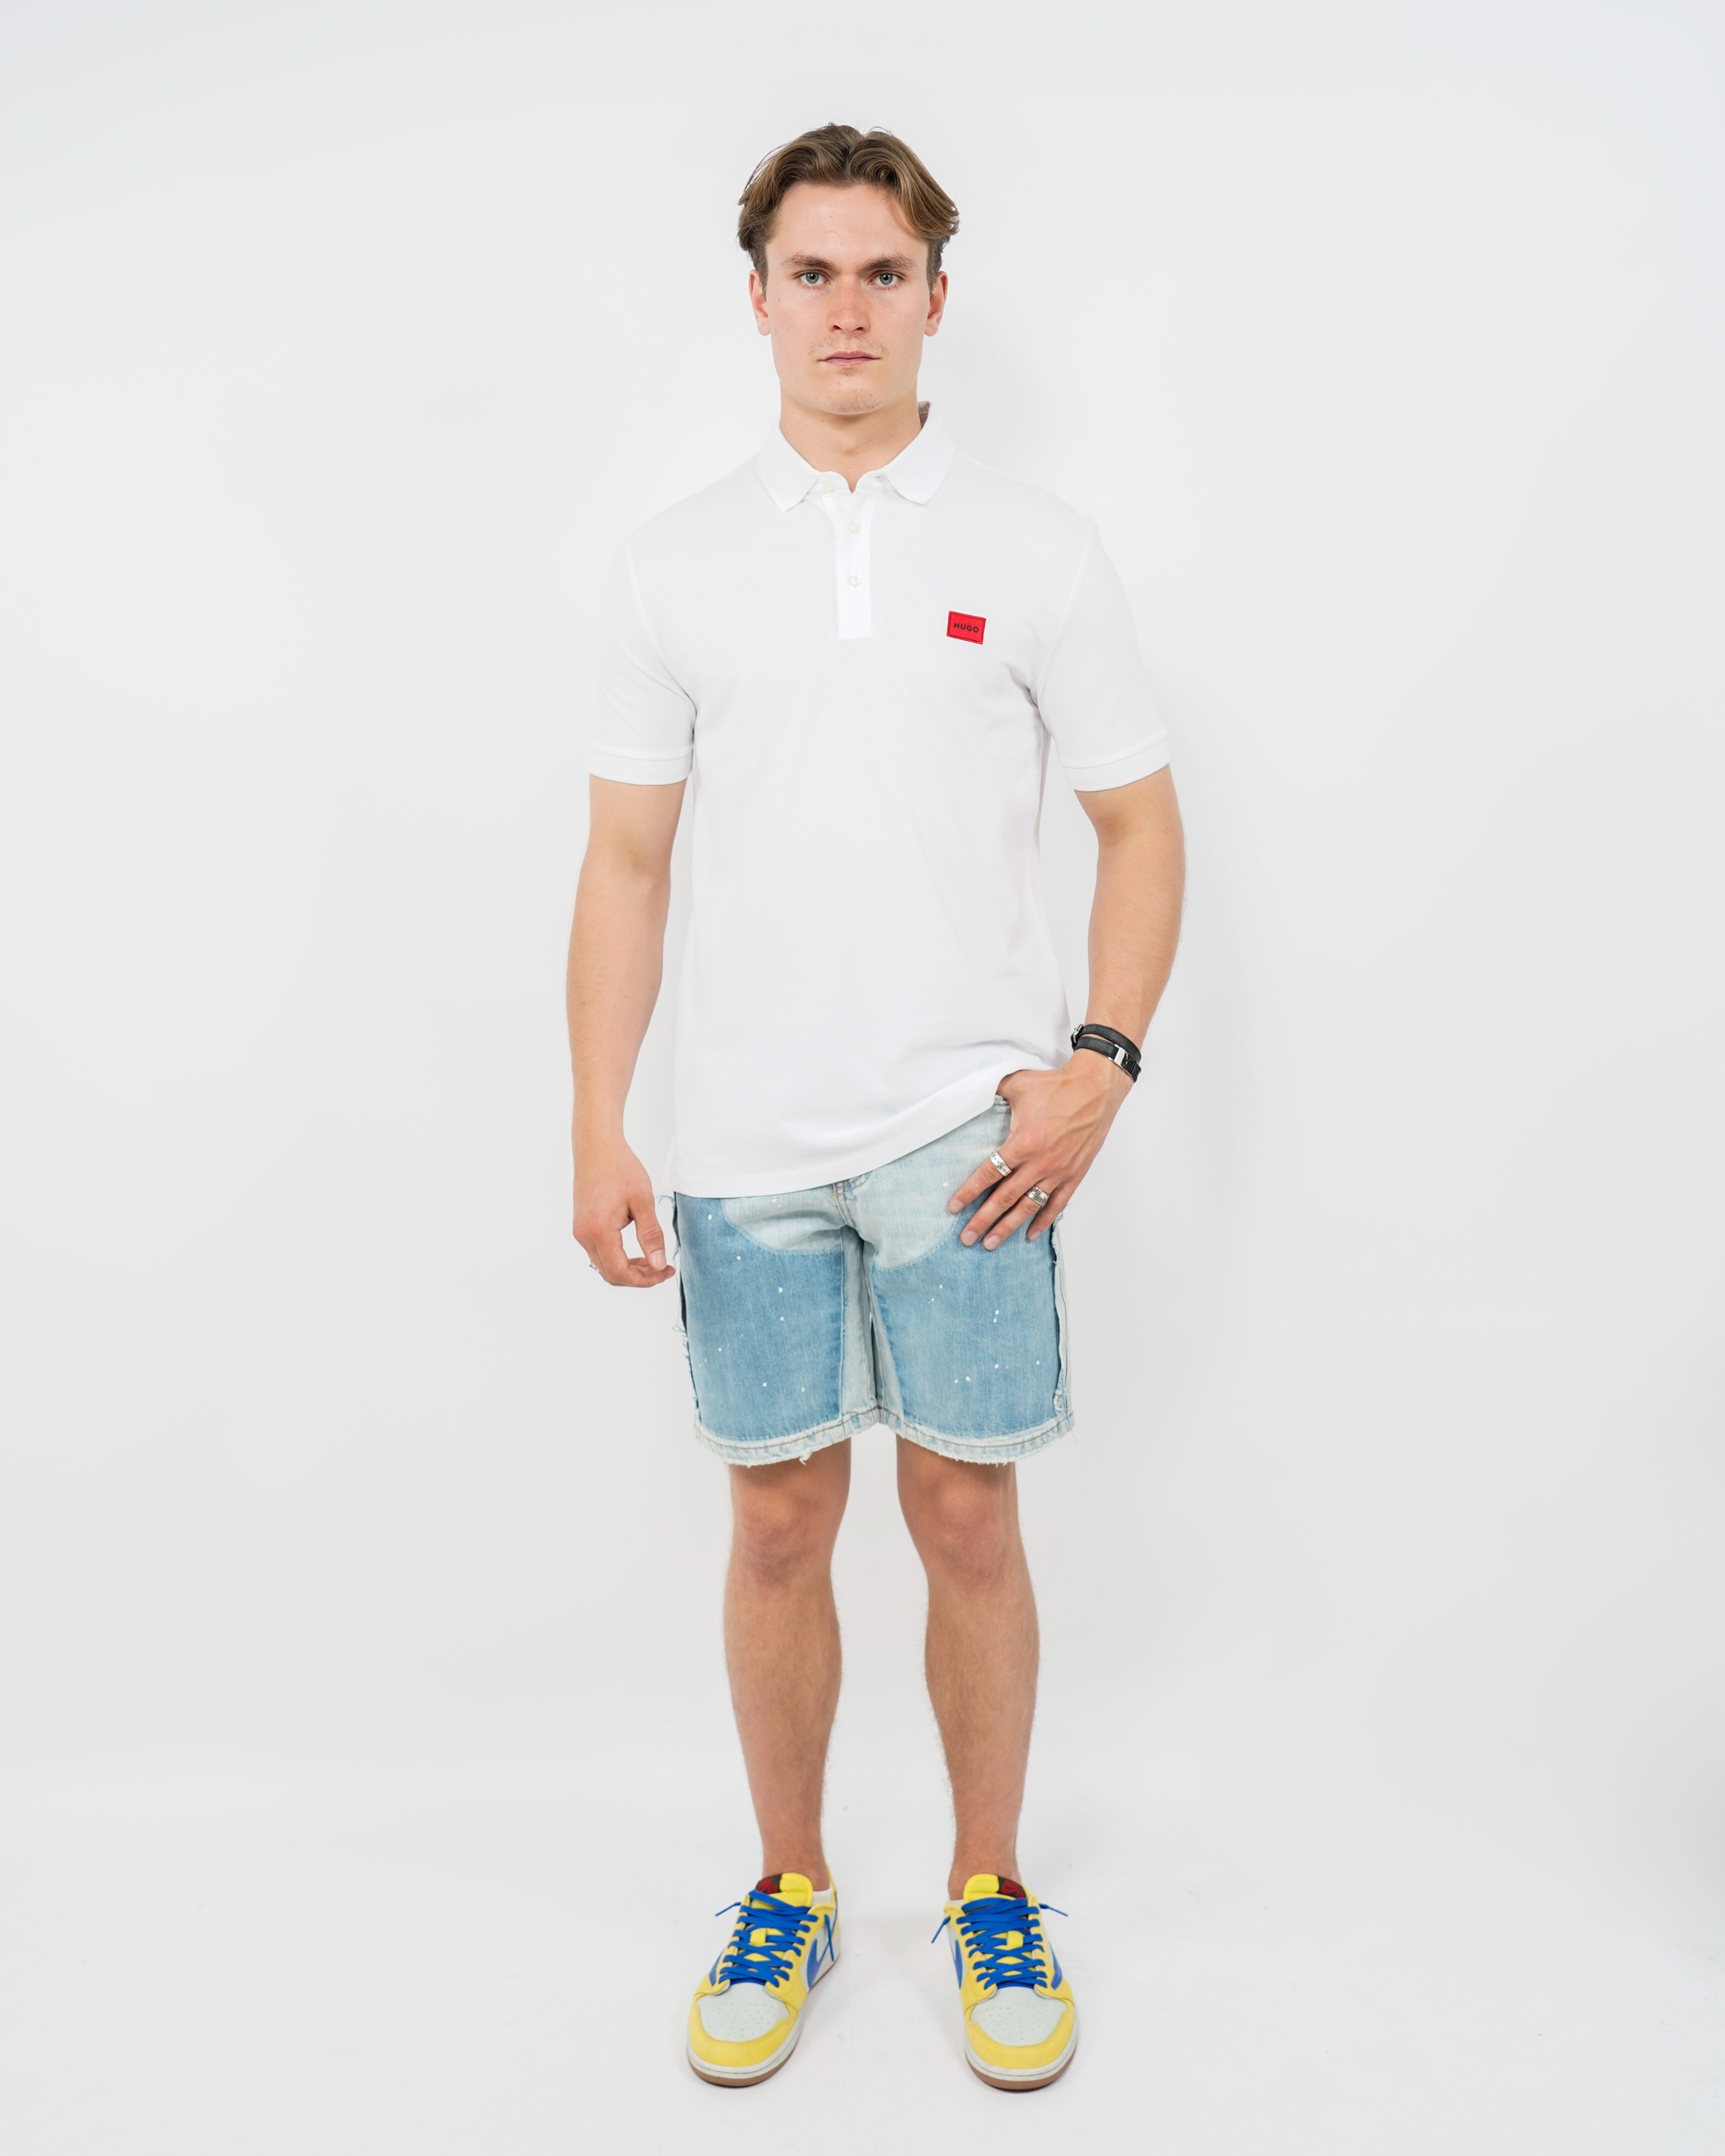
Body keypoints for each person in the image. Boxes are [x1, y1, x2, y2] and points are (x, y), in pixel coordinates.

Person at [567, 122, 1184, 2092]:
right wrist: (597, 1118)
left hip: (967, 1138)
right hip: (744, 1141)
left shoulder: (1035, 549)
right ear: (756, 298)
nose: (848, 308)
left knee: (964, 1511)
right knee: (774, 1521)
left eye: (882, 272)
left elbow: (1139, 821)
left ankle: (988, 1887)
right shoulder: (671, 565)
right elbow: (625, 868)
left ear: (935, 296)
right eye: (812, 273)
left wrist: (1099, 1063)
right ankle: (793, 1885)